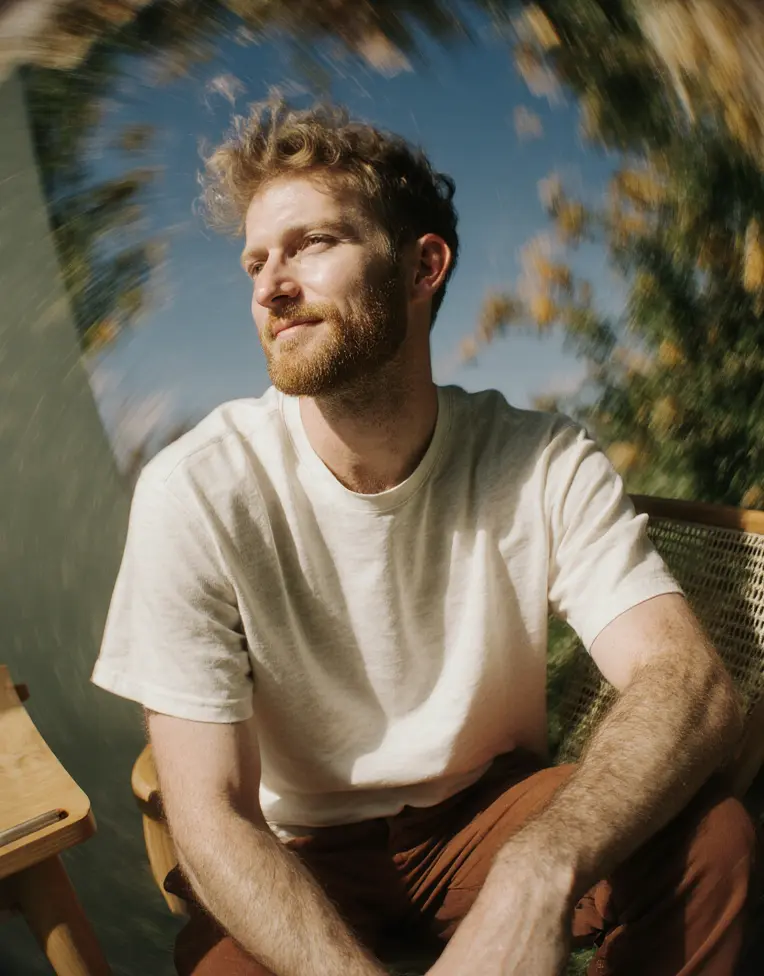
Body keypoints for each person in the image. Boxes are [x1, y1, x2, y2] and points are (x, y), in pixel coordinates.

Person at [91, 101, 758, 976]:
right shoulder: (196, 489)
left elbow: (687, 682)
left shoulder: (542, 458)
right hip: (303, 852)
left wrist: (535, 871)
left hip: (491, 814)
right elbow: (211, 814)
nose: (269, 285)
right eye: (256, 260)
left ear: (422, 265)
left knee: (715, 842)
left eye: (312, 244)